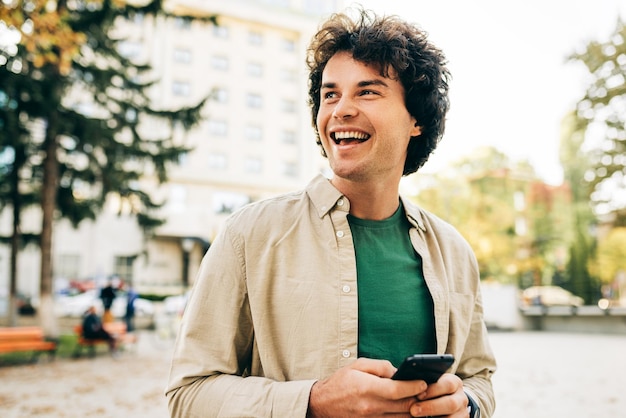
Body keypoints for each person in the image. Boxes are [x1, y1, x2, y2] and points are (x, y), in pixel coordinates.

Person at [166, 8, 496, 418]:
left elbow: (478, 377)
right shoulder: (248, 234)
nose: (340, 109)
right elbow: (188, 394)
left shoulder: (454, 251)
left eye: (367, 91)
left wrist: (466, 403)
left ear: (416, 119)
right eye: (330, 94)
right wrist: (313, 401)